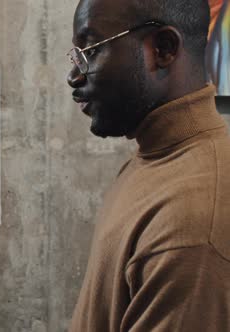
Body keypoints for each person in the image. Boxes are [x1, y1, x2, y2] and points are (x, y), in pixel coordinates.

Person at [67, 0, 230, 331]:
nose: (74, 75)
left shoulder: (192, 220)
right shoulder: (152, 158)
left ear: (164, 49)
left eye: (91, 51)